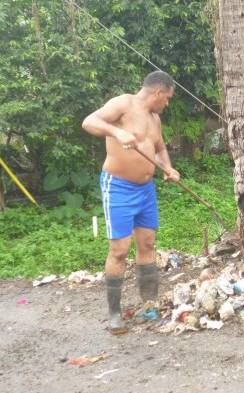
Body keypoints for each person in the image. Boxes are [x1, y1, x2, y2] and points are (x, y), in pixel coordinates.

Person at [82, 71, 180, 334]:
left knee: (147, 243)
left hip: (145, 190)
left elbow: (159, 149)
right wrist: (117, 132)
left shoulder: (155, 119)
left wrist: (168, 169)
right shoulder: (123, 104)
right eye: (167, 98)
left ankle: (149, 304)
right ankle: (114, 314)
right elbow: (89, 121)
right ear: (158, 92)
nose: (167, 104)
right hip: (119, 188)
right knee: (120, 250)